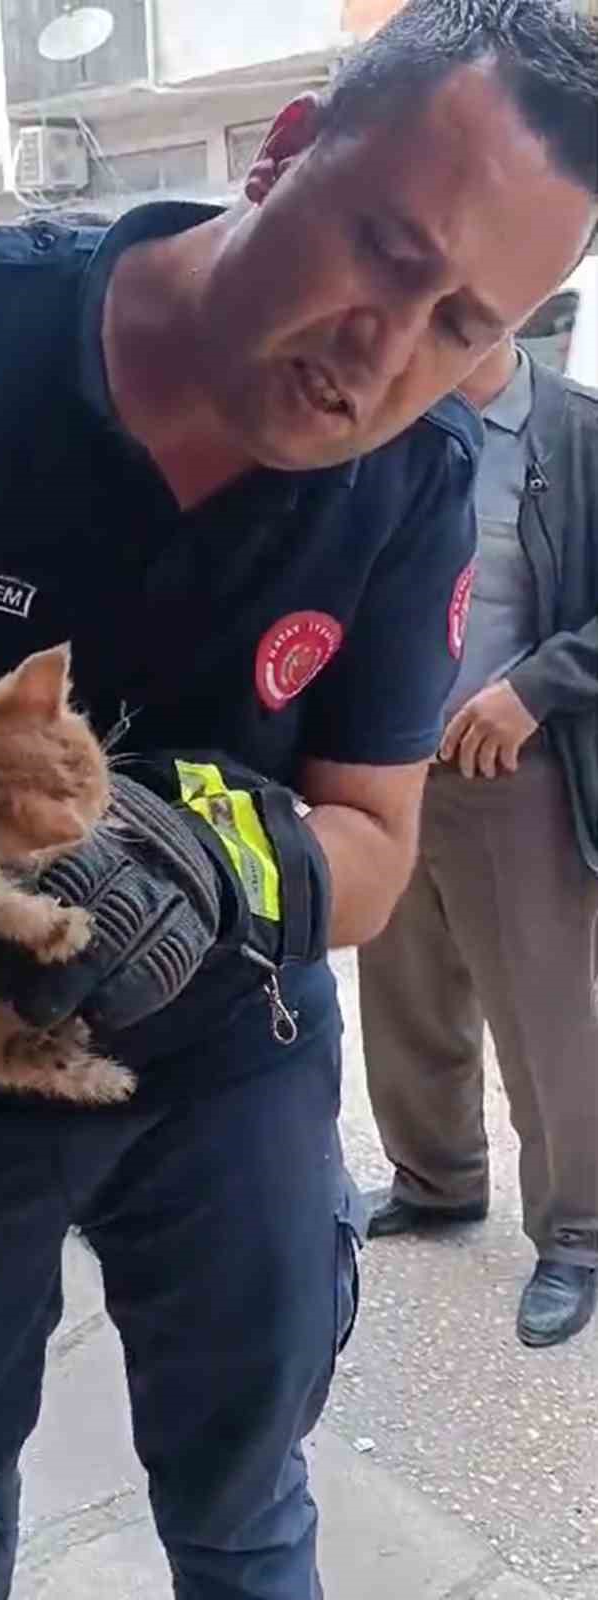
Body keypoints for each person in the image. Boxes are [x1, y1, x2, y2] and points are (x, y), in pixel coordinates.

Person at [0, 2, 595, 1595]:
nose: (381, 356)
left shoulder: (414, 488)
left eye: (463, 323)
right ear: (283, 149)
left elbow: (375, 848)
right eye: (384, 250)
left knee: (244, 1513)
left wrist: (216, 870)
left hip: (225, 1069)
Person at [360, 332, 598, 1351]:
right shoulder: (380, 428)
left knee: (546, 1018)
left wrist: (533, 689)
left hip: (516, 775)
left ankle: (578, 1234)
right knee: (403, 992)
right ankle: (436, 1179)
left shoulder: (573, 431)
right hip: (387, 770)